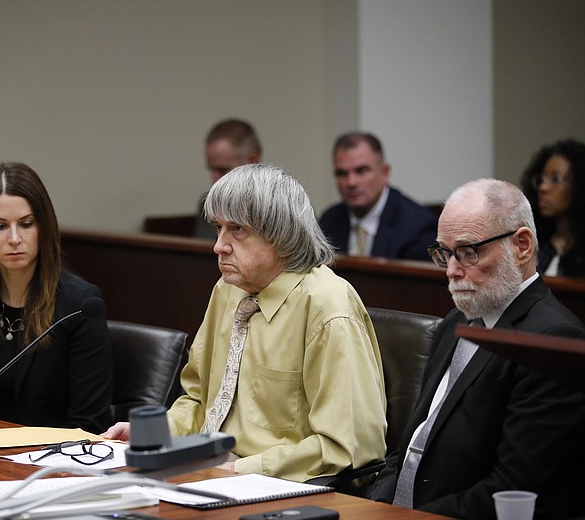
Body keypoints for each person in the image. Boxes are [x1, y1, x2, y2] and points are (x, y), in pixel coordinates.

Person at [104, 163, 387, 483]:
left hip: (279, 486)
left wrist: (241, 470)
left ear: (281, 235)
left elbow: (349, 447)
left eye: (237, 230)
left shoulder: (327, 305)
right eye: (217, 229)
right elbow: (200, 400)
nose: (218, 246)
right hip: (211, 469)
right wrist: (156, 435)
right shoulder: (228, 290)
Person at [367, 178, 585, 519]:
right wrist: (375, 505)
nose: (452, 271)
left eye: (468, 252)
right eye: (443, 252)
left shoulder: (555, 339)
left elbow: (512, 488)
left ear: (522, 245)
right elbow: (411, 443)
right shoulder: (458, 320)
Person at [0, 162, 112, 434]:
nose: (14, 239)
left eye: (26, 224)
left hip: (50, 462)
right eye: (0, 226)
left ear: (43, 227)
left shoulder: (79, 305)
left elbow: (89, 424)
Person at [318, 132, 437, 261]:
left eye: (362, 171)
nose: (351, 182)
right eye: (342, 173)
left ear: (384, 172)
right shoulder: (329, 221)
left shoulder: (417, 226)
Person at [519, 138, 585, 278]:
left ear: (578, 185)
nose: (543, 188)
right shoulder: (532, 246)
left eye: (556, 179)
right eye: (542, 179)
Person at [193, 119, 262, 239]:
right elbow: (204, 253)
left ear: (253, 160)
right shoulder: (209, 203)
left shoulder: (278, 207)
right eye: (211, 170)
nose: (214, 181)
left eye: (223, 170)